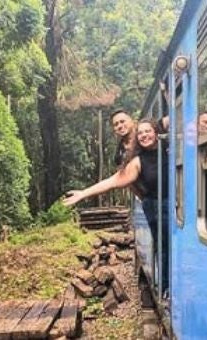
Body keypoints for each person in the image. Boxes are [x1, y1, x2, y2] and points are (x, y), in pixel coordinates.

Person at [64, 119, 170, 290]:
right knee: (164, 245)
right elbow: (113, 181)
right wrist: (83, 193)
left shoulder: (169, 148)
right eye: (140, 133)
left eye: (148, 131)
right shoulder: (137, 161)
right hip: (156, 207)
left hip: (177, 205)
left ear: (156, 133)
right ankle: (166, 288)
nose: (144, 135)